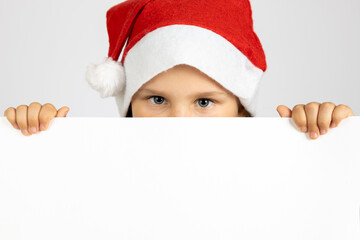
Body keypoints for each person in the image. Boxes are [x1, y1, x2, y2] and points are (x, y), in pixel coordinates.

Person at [3, 0, 355, 139]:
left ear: (241, 112)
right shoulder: (104, 173)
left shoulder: (270, 171)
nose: (178, 122)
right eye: (157, 99)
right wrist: (38, 141)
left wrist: (323, 130)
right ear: (128, 110)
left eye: (204, 102)